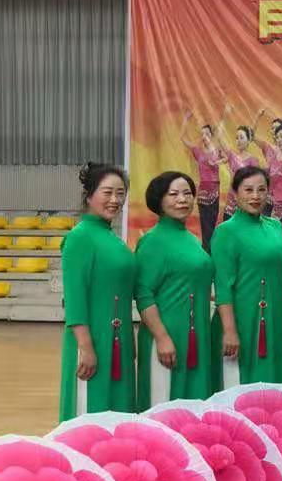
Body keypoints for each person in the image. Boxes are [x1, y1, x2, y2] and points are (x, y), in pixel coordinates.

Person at [59, 163, 136, 421]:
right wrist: (86, 347)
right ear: (89, 195)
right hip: (93, 339)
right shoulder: (80, 237)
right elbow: (75, 298)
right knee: (91, 412)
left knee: (118, 413)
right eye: (107, 192)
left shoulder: (112, 238)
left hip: (118, 341)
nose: (115, 200)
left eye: (120, 193)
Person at [135, 171, 216, 405]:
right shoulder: (152, 241)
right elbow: (143, 293)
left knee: (194, 405)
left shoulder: (191, 238)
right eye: (173, 194)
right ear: (158, 200)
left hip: (197, 336)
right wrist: (162, 338)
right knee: (164, 404)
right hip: (168, 335)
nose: (182, 199)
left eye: (187, 193)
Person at [211, 165, 282, 388]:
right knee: (242, 387)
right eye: (248, 190)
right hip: (242, 321)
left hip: (275, 319)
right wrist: (229, 331)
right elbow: (223, 286)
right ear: (235, 194)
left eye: (261, 190)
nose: (255, 196)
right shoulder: (226, 232)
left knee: (275, 386)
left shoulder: (275, 227)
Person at [180, 110, 224, 250]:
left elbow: (227, 158)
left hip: (215, 190)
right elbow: (182, 138)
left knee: (212, 222)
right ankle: (206, 250)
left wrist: (217, 162)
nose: (204, 136)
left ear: (211, 135)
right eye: (202, 134)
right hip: (203, 191)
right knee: (205, 224)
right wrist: (185, 119)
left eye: (206, 134)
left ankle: (212, 250)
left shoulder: (217, 150)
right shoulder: (198, 151)